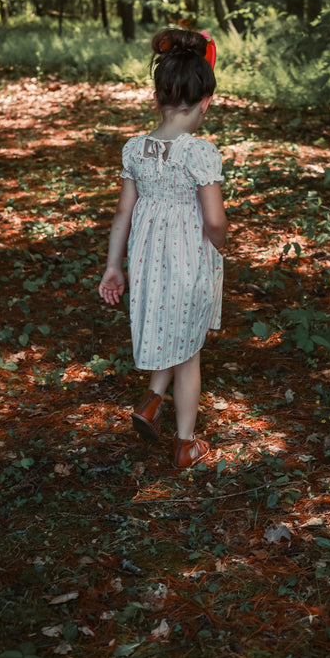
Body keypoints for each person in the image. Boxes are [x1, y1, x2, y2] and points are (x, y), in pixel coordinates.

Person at [98, 28, 227, 468]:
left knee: (172, 327)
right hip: (189, 259)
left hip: (149, 260)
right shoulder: (201, 154)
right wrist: (223, 245)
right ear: (206, 101)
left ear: (157, 99)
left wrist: (114, 267)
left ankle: (152, 399)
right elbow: (213, 220)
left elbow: (121, 217)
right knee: (188, 349)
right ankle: (186, 443)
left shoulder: (134, 150)